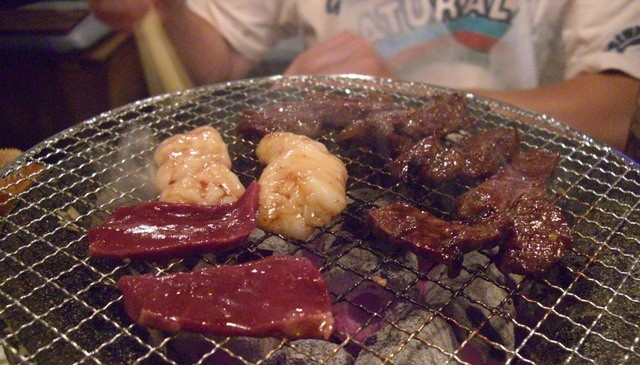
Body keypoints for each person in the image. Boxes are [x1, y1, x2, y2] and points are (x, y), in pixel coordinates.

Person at [88, 0, 640, 151]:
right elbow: (217, 62)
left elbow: (615, 107)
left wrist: (401, 99)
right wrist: (171, 9)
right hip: (351, 163)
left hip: (513, 171)